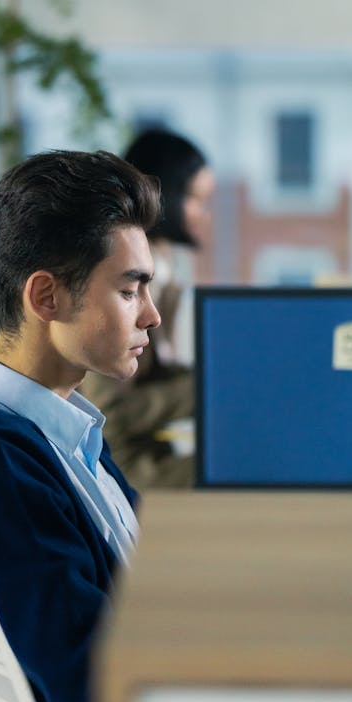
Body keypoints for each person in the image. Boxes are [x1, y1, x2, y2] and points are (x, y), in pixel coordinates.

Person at [0, 150, 162, 702]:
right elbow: (88, 688)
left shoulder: (63, 434)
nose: (152, 315)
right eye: (129, 289)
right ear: (46, 296)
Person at [81, 128, 214, 489]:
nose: (204, 216)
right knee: (244, 474)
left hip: (147, 450)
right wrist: (210, 390)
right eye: (195, 200)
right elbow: (113, 414)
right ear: (166, 193)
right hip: (117, 460)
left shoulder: (165, 273)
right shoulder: (127, 278)